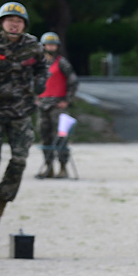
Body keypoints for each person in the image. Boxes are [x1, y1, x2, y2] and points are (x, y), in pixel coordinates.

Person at [0, 1, 47, 231]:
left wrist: (41, 81)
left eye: (19, 21)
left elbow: (43, 68)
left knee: (20, 160)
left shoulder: (33, 46)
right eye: (10, 20)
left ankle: (1, 205)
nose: (14, 24)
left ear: (24, 25)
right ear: (1, 22)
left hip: (21, 112)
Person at [36, 32, 79, 179]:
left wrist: (67, 100)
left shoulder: (62, 63)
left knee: (60, 137)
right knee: (44, 136)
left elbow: (73, 82)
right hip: (42, 105)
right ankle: (48, 167)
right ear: (43, 46)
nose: (50, 47)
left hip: (57, 105)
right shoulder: (39, 64)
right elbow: (32, 81)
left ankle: (63, 167)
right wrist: (34, 97)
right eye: (48, 44)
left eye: (53, 44)